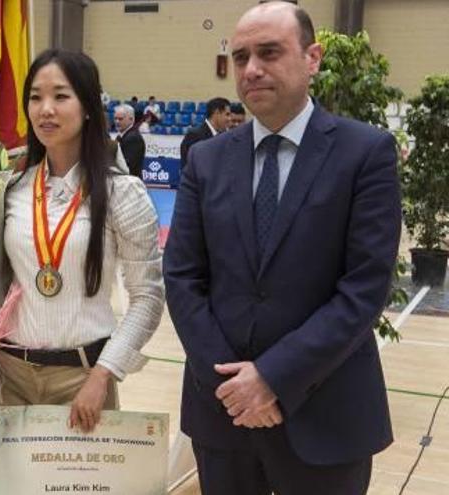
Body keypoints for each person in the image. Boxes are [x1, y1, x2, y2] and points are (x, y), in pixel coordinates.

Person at [163, 3, 401, 495]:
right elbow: (183, 278)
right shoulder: (205, 161)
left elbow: (363, 289)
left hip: (327, 417)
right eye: (241, 56)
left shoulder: (365, 153)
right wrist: (233, 389)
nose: (252, 69)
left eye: (269, 52)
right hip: (222, 414)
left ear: (312, 58)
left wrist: (272, 378)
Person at [0, 49, 164, 434]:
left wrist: (103, 375)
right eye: (35, 97)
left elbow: (148, 298)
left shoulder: (122, 193)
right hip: (10, 378)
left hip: (84, 380)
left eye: (61, 96)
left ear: (89, 106)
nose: (45, 109)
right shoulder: (9, 189)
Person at [179, 96, 231, 172]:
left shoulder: (224, 136)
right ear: (216, 112)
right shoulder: (194, 135)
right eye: (227, 114)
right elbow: (188, 168)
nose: (229, 119)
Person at [113, 103, 146, 178]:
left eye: (120, 119)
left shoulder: (133, 138)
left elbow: (127, 165)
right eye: (115, 118)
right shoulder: (121, 136)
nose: (117, 121)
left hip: (129, 184)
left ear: (131, 119)